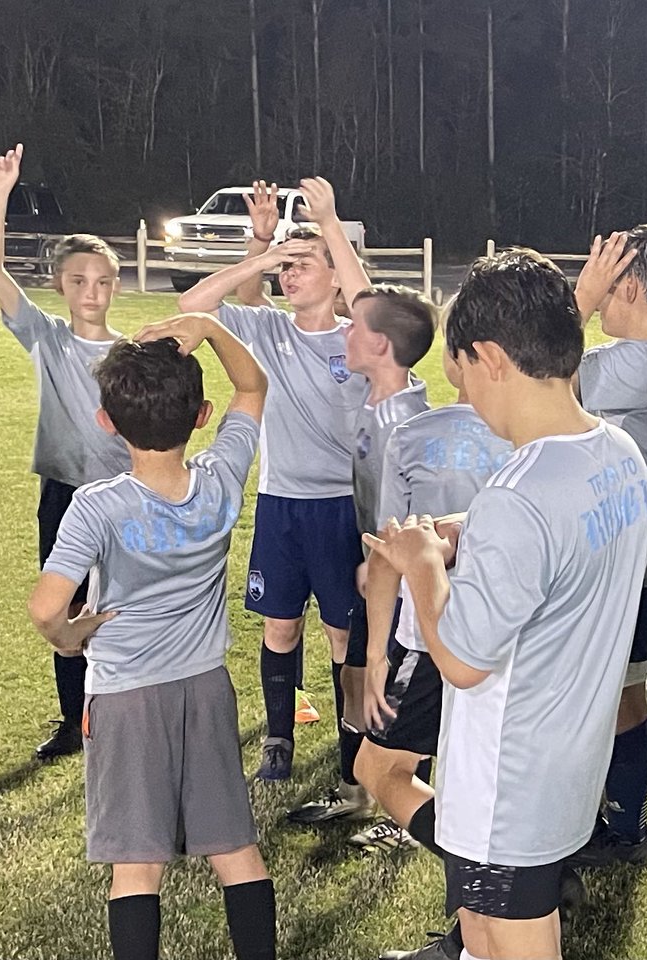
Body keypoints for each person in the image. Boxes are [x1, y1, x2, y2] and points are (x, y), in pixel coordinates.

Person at [366, 249, 647, 960]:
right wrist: (470, 531)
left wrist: (424, 563)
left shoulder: (518, 494)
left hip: (505, 790)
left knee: (506, 946)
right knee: (482, 946)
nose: (463, 394)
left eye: (461, 372)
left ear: (490, 357)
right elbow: (564, 552)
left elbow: (461, 660)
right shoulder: (616, 453)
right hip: (564, 771)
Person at [27, 312, 275, 960]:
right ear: (202, 416)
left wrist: (68, 637)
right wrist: (210, 328)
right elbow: (254, 389)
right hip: (205, 687)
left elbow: (46, 606)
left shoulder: (98, 505)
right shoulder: (220, 479)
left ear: (106, 422)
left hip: (126, 697)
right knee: (235, 850)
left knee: (137, 866)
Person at [178, 178, 371, 800]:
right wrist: (263, 251)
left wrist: (328, 227)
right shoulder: (268, 331)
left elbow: (367, 297)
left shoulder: (358, 338)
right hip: (281, 505)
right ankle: (278, 742)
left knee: (344, 637)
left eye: (302, 265)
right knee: (279, 627)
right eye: (285, 269)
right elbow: (193, 306)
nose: (289, 276)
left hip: (343, 510)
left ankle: (352, 750)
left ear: (336, 276)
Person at [286, 182, 435, 827]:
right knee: (354, 672)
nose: (346, 323)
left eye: (357, 325)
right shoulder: (372, 392)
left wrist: (377, 566)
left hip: (395, 581)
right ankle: (360, 793)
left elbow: (405, 521)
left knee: (380, 682)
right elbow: (368, 301)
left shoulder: (406, 422)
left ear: (378, 347)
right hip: (372, 564)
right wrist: (325, 222)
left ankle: (388, 795)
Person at [0, 143, 132, 761]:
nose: (90, 291)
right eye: (78, 281)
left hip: (123, 498)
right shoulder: (48, 339)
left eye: (101, 281)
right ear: (61, 286)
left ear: (115, 286)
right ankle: (74, 719)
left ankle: (118, 710)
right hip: (65, 493)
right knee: (67, 605)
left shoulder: (134, 353)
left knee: (118, 604)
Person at [345, 333, 512, 864]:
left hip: (433, 635)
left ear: (457, 359)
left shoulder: (414, 435)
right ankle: (499, 893)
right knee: (488, 772)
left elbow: (384, 555)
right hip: (511, 636)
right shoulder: (537, 439)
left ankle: (489, 871)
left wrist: (375, 656)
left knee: (378, 769)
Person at [567, 227, 647, 866]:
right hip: (621, 552)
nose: (602, 299)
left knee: (621, 696)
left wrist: (578, 299)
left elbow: (542, 372)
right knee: (613, 693)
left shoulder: (644, 361)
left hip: (631, 564)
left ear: (631, 288)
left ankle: (625, 830)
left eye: (611, 285)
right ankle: (610, 821)